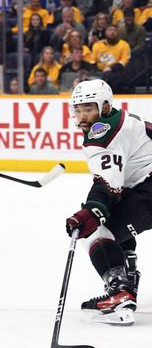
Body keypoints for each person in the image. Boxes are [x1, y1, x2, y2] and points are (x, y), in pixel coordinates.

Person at [64, 79, 149, 326]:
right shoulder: (121, 118)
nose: (82, 116)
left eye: (88, 109)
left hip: (149, 188)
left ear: (103, 107)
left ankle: (120, 294)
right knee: (114, 217)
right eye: (77, 109)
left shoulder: (101, 135)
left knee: (94, 232)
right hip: (145, 185)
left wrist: (89, 213)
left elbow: (109, 185)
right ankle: (128, 273)